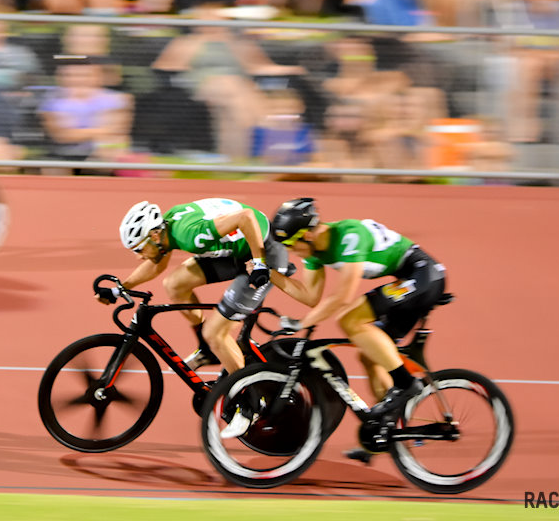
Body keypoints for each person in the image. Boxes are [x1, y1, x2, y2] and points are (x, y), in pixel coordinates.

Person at [266, 197, 448, 462]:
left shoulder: (350, 234)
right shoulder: (315, 252)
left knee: (351, 319)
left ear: (309, 235)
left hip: (423, 275)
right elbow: (311, 297)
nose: (292, 251)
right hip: (408, 280)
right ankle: (388, 433)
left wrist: (301, 323)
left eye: (293, 244)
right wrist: (270, 275)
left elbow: (343, 296)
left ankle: (407, 384)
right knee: (370, 356)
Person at [105, 198, 290, 392]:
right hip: (238, 250)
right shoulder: (166, 228)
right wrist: (121, 288)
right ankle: (208, 349)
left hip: (264, 252)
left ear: (155, 235)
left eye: (139, 248)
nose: (138, 256)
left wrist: (260, 263)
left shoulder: (189, 235)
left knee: (215, 333)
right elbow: (157, 265)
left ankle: (247, 398)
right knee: (174, 284)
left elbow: (245, 217)